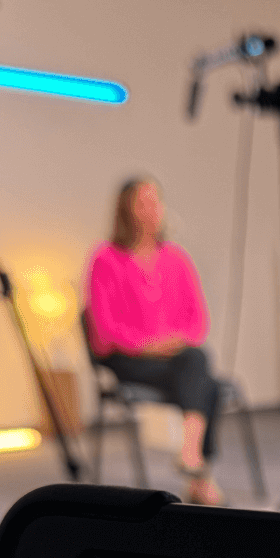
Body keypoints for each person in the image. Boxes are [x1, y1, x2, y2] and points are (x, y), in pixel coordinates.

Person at [85, 177, 224, 505]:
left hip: (172, 358)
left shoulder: (176, 258)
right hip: (126, 358)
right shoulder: (105, 259)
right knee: (206, 382)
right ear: (126, 210)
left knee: (197, 360)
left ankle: (191, 455)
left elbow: (197, 321)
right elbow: (104, 329)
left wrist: (174, 341)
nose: (151, 209)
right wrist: (147, 345)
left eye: (155, 201)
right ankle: (200, 476)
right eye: (142, 202)